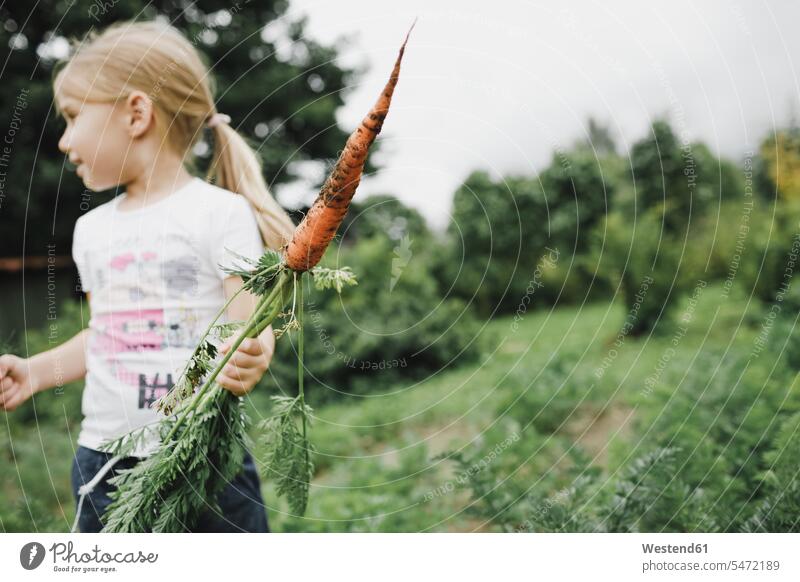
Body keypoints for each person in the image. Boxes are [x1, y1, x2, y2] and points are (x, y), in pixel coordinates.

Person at [0, 20, 296, 532]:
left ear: (136, 113)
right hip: (105, 461)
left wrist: (257, 350)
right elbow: (104, 337)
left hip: (205, 457)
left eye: (73, 117)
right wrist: (36, 371)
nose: (65, 142)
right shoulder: (91, 230)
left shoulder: (218, 213)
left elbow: (246, 324)